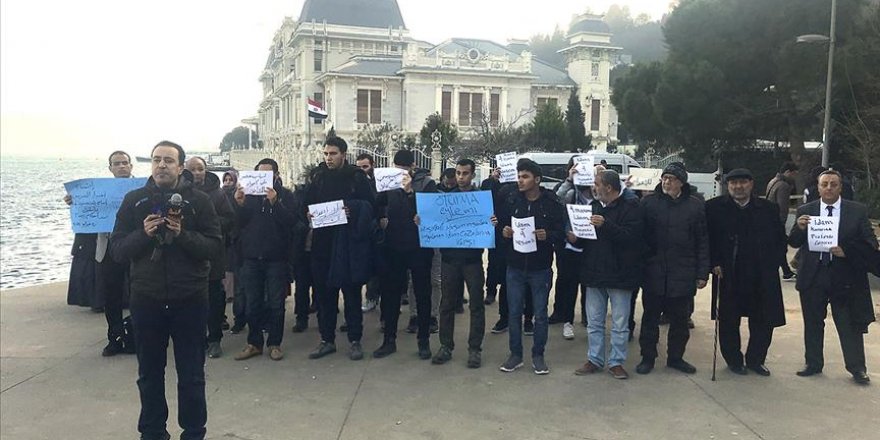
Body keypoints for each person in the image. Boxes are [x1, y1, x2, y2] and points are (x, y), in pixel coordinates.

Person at [111, 140, 222, 440]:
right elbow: (118, 250)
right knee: (149, 374)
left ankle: (194, 432)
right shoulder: (134, 200)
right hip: (147, 299)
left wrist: (181, 234)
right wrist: (143, 234)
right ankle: (152, 432)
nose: (162, 165)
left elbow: (214, 247)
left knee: (191, 375)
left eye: (169, 161)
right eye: (157, 159)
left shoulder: (199, 202)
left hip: (190, 299)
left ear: (180, 167)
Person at [789, 169, 876, 385]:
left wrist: (847, 251)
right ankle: (813, 363)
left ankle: (857, 368)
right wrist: (799, 228)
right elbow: (793, 242)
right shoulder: (806, 210)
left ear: (840, 187)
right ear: (817, 188)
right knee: (813, 323)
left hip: (844, 277)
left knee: (849, 325)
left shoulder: (856, 211)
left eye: (833, 184)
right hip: (814, 275)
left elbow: (871, 244)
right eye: (824, 184)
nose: (828, 188)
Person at [705, 168, 788, 377]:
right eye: (733, 183)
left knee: (763, 319)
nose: (738, 187)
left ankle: (756, 359)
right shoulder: (713, 208)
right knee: (728, 319)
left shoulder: (768, 209)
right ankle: (733, 359)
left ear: (751, 184)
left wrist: (774, 263)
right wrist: (712, 263)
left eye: (742, 182)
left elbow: (780, 240)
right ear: (727, 185)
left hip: (761, 273)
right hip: (728, 273)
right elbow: (706, 240)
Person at [305, 137, 375, 360]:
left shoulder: (356, 178)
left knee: (352, 295)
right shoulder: (318, 177)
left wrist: (352, 210)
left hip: (347, 246)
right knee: (325, 297)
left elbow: (371, 206)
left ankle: (355, 340)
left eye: (333, 154)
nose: (328, 158)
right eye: (326, 154)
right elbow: (305, 204)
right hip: (322, 245)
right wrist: (307, 214)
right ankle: (327, 340)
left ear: (344, 154)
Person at [637, 163, 710, 375]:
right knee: (650, 319)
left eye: (672, 178)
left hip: (683, 273)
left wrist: (701, 273)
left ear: (682, 182)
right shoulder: (648, 203)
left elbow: (702, 242)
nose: (667, 182)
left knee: (680, 321)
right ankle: (647, 357)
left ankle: (676, 357)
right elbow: (639, 237)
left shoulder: (695, 206)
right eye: (665, 178)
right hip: (654, 272)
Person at [574, 170, 644, 380]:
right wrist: (575, 236)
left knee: (620, 324)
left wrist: (606, 225)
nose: (593, 187)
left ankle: (616, 362)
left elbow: (632, 238)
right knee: (594, 322)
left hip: (621, 276)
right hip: (594, 274)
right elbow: (585, 240)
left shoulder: (632, 207)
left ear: (609, 188)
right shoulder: (592, 207)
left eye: (596, 183)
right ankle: (594, 359)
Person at [498, 159, 564, 375]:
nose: (520, 180)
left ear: (537, 179)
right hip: (515, 266)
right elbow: (500, 224)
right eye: (519, 176)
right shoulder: (511, 200)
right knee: (514, 312)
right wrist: (505, 232)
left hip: (540, 267)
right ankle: (515, 355)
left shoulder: (551, 203)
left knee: (540, 314)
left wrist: (549, 236)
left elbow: (561, 232)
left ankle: (538, 355)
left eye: (525, 176)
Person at [429, 158, 497, 368]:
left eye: (465, 173)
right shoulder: (446, 200)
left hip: (472, 261)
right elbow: (434, 223)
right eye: (458, 173)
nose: (460, 177)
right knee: (447, 304)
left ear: (472, 175)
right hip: (449, 260)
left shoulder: (481, 200)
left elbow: (490, 226)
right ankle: (446, 346)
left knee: (476, 305)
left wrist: (492, 222)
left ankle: (474, 349)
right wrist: (422, 221)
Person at [373, 149, 437, 359]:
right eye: (396, 169)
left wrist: (410, 193)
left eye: (403, 169)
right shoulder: (388, 183)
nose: (400, 173)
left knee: (422, 293)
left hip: (419, 248)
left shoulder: (427, 184)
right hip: (393, 246)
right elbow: (377, 205)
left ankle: (423, 340)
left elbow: (431, 211)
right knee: (390, 294)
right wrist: (381, 217)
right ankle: (389, 340)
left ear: (412, 167)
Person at [233, 158, 298, 362]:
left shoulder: (286, 195)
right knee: (252, 303)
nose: (262, 179)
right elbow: (239, 223)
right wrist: (239, 204)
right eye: (259, 174)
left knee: (276, 304)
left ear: (276, 176)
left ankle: (274, 343)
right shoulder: (249, 196)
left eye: (267, 175)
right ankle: (254, 343)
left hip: (276, 258)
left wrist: (275, 203)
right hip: (251, 257)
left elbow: (291, 222)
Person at [185, 157, 235, 359]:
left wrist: (208, 223)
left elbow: (229, 219)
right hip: (186, 255)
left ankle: (214, 339)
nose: (197, 173)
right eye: (193, 169)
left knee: (214, 298)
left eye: (201, 169)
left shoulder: (218, 193)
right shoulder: (179, 193)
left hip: (212, 254)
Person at [88, 151, 135, 356]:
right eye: (117, 163)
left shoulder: (141, 187)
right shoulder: (100, 190)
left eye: (125, 163)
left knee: (138, 295)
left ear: (131, 166)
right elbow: (85, 212)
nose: (122, 166)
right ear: (110, 168)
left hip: (134, 248)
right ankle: (114, 337)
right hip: (107, 247)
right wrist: (76, 202)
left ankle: (134, 337)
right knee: (111, 296)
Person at [550, 157, 593, 340]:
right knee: (568, 283)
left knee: (589, 285)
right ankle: (565, 318)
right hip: (569, 246)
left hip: (591, 249)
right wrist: (569, 180)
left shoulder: (598, 194)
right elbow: (556, 200)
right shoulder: (570, 192)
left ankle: (587, 317)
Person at [355, 152, 382, 314]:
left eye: (365, 167)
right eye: (359, 168)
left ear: (372, 166)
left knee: (376, 270)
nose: (362, 171)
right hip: (358, 233)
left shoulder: (379, 184)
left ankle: (373, 297)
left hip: (376, 233)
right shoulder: (352, 184)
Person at [765, 161, 799, 280]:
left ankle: (786, 271)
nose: (794, 177)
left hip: (769, 220)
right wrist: (781, 224)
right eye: (794, 174)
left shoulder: (773, 181)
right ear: (787, 172)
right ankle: (784, 271)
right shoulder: (784, 186)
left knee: (778, 248)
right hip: (777, 222)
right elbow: (783, 207)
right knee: (780, 248)